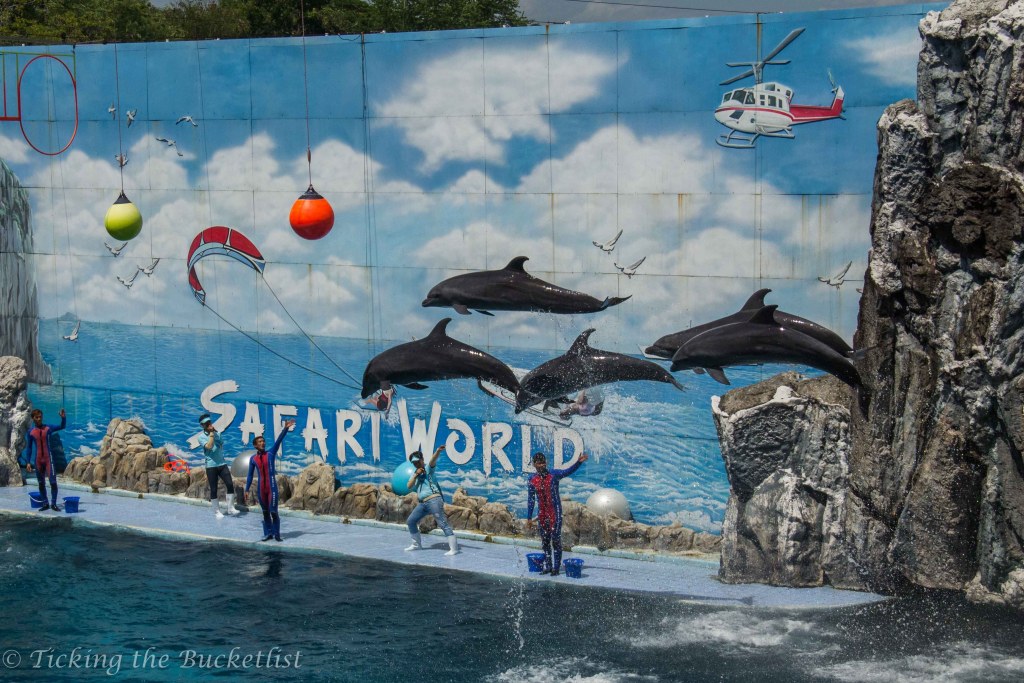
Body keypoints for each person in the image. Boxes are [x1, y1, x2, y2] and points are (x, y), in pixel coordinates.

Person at [526, 451, 589, 576]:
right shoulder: (532, 480)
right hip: (542, 514)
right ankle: (548, 566)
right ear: (534, 464)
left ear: (546, 463)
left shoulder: (554, 475)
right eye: (538, 463)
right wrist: (529, 517)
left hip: (555, 512)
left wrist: (578, 463)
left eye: (543, 463)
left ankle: (556, 567)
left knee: (555, 540)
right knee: (545, 541)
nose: (541, 466)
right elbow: (531, 499)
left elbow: (567, 471)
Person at [245, 419, 295, 542]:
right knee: (265, 512)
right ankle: (268, 533)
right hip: (261, 490)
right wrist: (246, 489)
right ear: (255, 445)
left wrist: (285, 429)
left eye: (263, 441)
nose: (263, 443)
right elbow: (250, 475)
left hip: (272, 489)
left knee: (273, 512)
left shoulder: (271, 454)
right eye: (260, 442)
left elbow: (279, 441)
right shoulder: (253, 459)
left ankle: (277, 534)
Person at [404, 445, 459, 556]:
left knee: (442, 523)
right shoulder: (415, 474)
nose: (416, 464)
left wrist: (438, 451)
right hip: (423, 503)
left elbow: (433, 460)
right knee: (411, 521)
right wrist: (416, 474)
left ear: (422, 460)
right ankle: (416, 545)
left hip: (434, 500)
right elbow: (409, 485)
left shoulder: (429, 468)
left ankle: (454, 549)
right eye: (413, 463)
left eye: (417, 461)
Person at [22, 408, 66, 511]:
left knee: (53, 482)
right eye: (37, 417)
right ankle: (45, 503)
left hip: (48, 459)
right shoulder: (31, 432)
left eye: (40, 417)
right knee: (41, 483)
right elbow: (29, 448)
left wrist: (63, 418)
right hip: (38, 460)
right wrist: (28, 462)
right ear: (33, 418)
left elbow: (62, 426)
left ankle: (54, 504)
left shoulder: (48, 428)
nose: (39, 419)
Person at [198, 413, 237, 518]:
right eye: (206, 424)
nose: (209, 424)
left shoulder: (217, 433)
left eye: (209, 422)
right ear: (202, 426)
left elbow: (220, 443)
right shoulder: (201, 437)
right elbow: (209, 447)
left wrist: (214, 433)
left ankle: (230, 508)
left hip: (222, 464)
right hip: (211, 466)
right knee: (214, 488)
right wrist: (211, 434)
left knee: (229, 484)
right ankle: (216, 511)